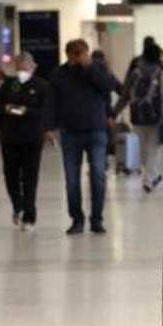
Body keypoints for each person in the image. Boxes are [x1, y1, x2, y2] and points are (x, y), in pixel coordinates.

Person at [47, 38, 120, 235]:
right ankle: (77, 219)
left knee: (98, 174)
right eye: (76, 54)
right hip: (70, 132)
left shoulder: (97, 69)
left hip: (96, 130)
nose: (80, 57)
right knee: (72, 179)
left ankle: (97, 219)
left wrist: (90, 68)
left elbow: (110, 87)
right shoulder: (58, 75)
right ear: (68, 55)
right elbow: (52, 102)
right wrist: (51, 127)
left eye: (83, 53)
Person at [0, 52, 52, 232]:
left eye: (25, 67)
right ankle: (17, 205)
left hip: (32, 138)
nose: (22, 70)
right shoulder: (9, 85)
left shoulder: (42, 86)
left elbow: (46, 111)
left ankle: (29, 214)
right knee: (11, 175)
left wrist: (28, 111)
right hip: (10, 137)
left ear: (33, 67)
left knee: (30, 177)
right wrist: (5, 112)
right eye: (19, 67)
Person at [115, 37, 163, 192]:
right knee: (154, 148)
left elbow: (125, 94)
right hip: (158, 117)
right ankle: (150, 179)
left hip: (138, 116)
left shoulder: (135, 73)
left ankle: (151, 176)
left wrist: (114, 112)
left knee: (143, 148)